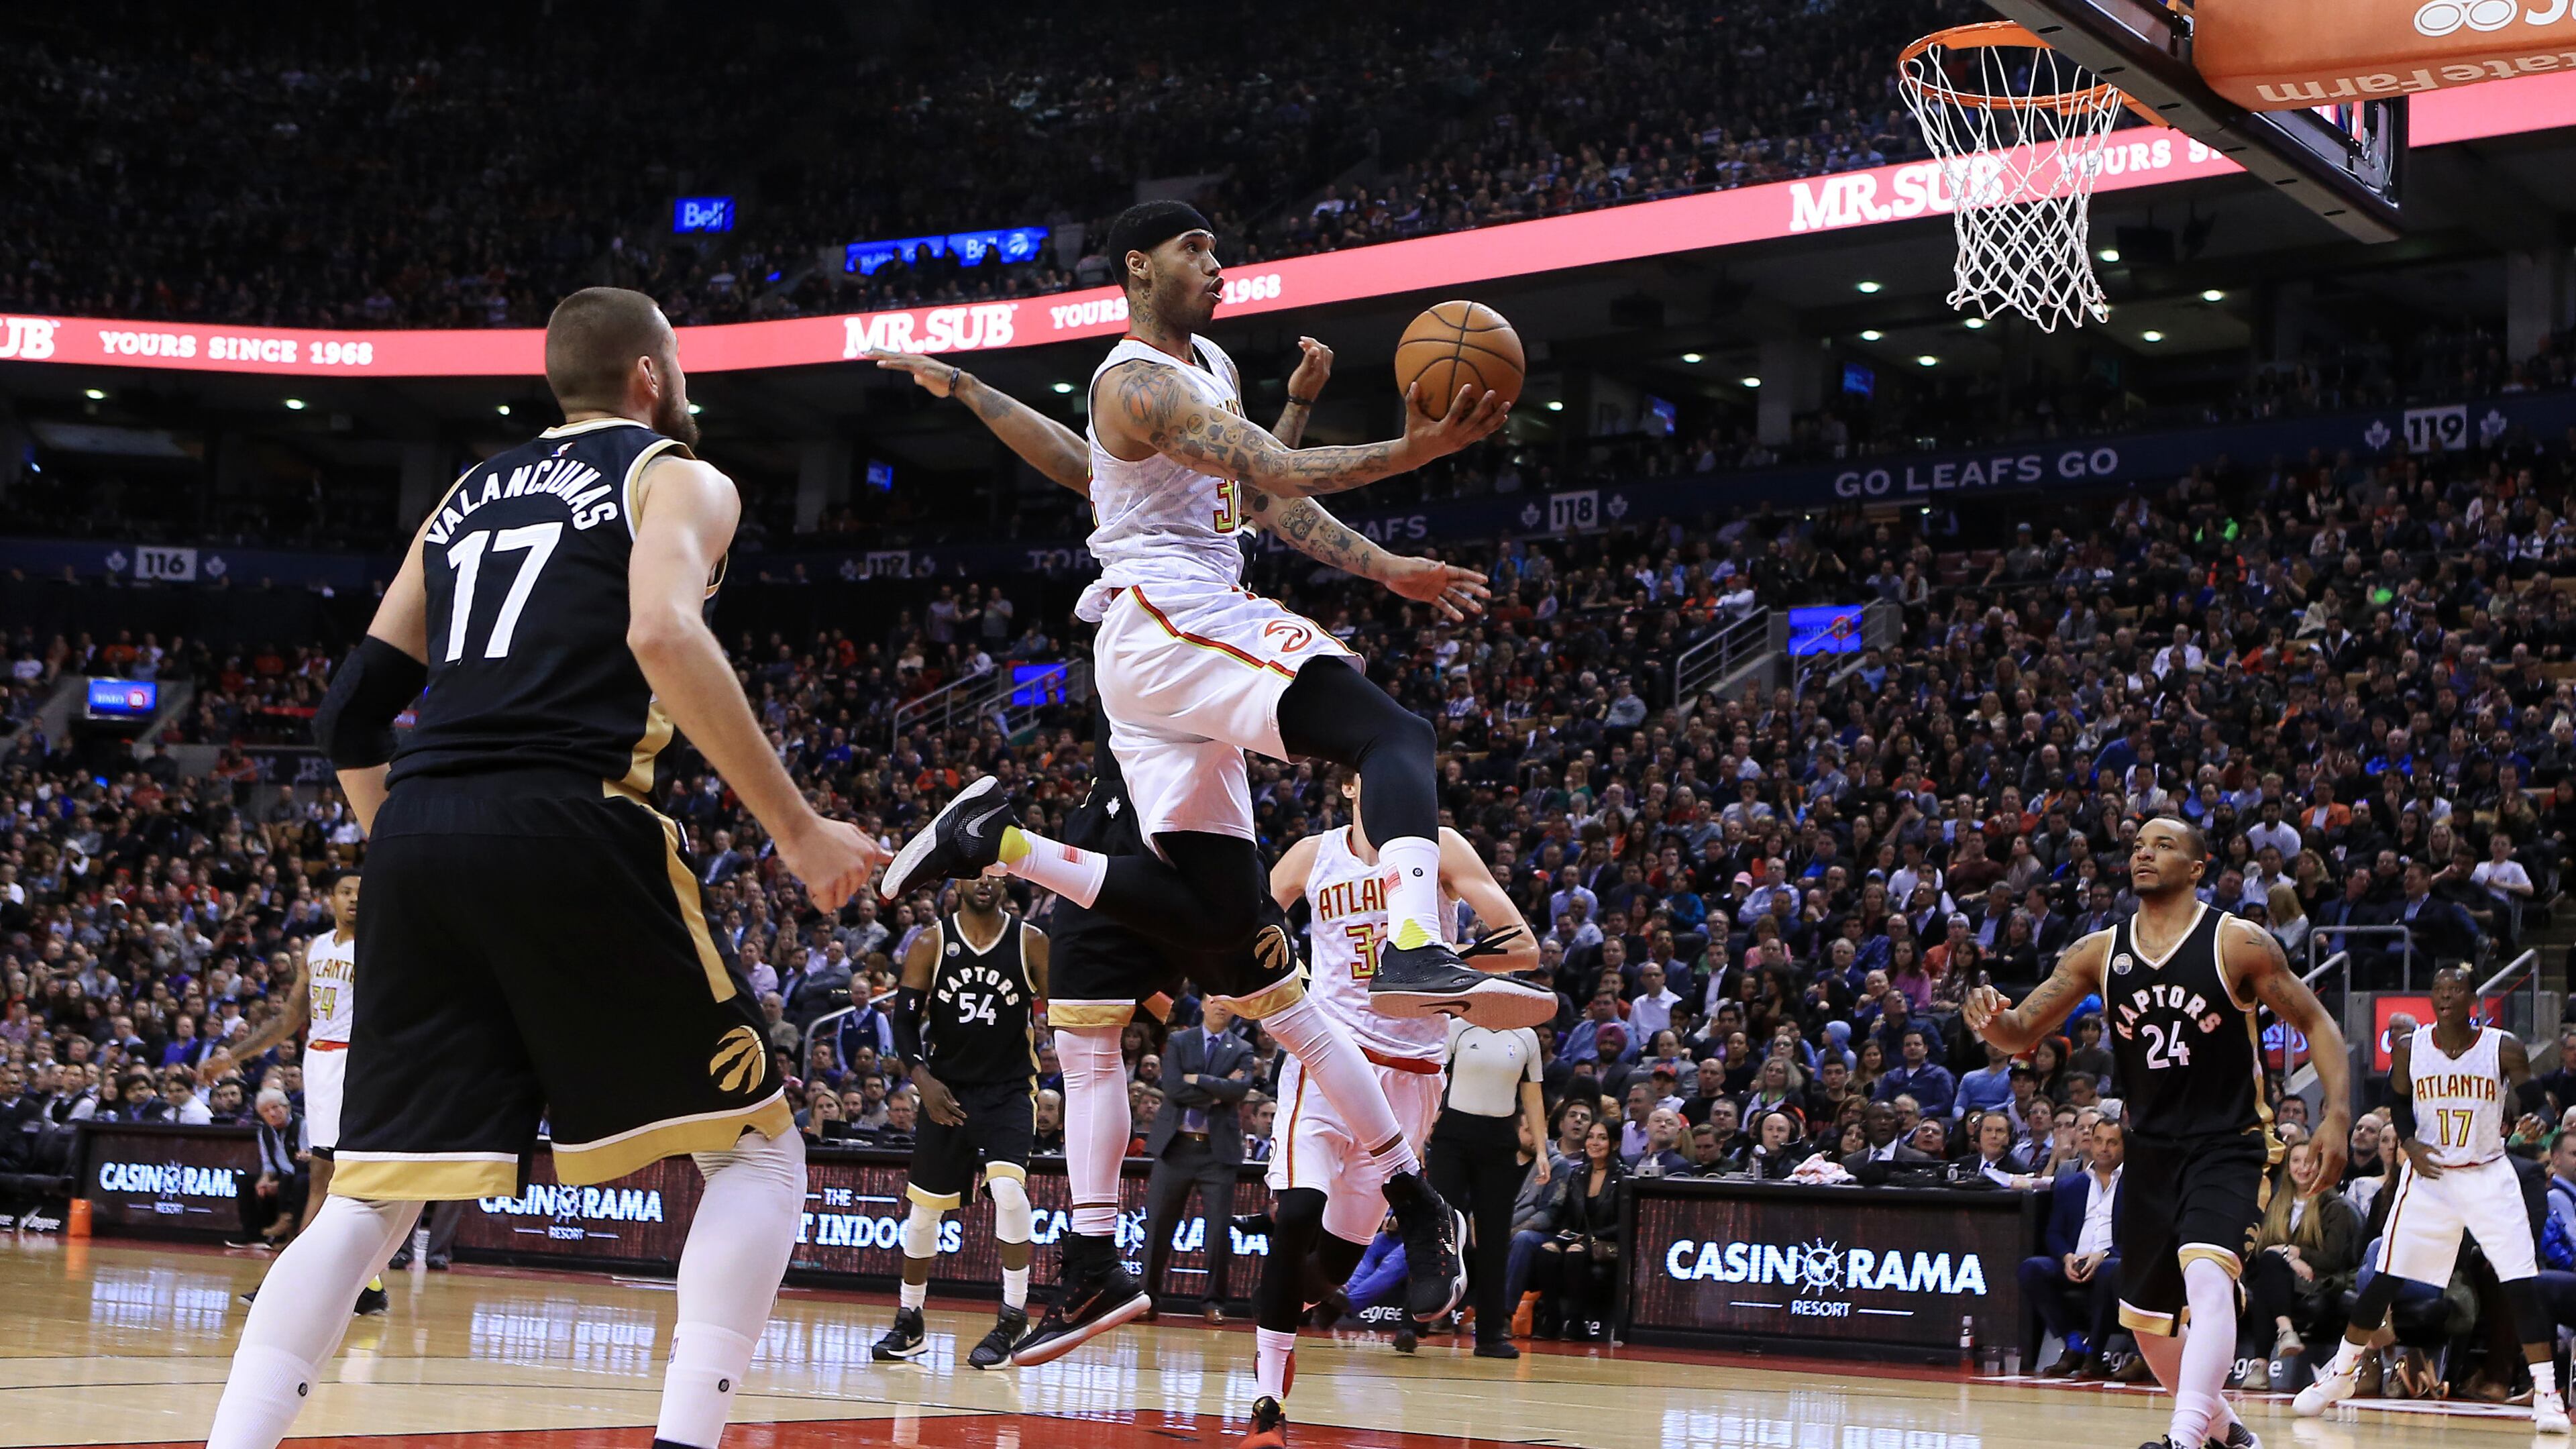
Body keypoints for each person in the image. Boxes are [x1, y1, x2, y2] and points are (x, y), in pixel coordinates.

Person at [202, 288, 885, 1449]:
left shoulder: (460, 501)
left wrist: (413, 850)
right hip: (571, 814)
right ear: (650, 380)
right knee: (760, 1153)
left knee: (370, 1195)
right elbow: (663, 633)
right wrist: (799, 829)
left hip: (419, 829)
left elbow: (352, 714)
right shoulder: (674, 474)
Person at [867, 338, 1520, 1368]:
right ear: (1142, 263)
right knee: (1111, 1032)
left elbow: (1255, 485)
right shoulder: (1137, 386)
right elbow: (1245, 471)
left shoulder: (1204, 373)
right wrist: (1414, 448)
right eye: (1197, 248)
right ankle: (1102, 1256)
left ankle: (1379, 1198)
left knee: (1238, 992)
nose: (1216, 265)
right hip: (1156, 681)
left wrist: (1379, 550)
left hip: (1152, 701)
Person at [1966, 817, 2352, 1449]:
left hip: (2229, 1142)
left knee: (2208, 1275)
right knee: (2146, 1322)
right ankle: (2227, 1434)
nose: (2144, 853)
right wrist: (1991, 1020)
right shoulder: (2098, 952)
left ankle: (2183, 1439)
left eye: (2164, 845)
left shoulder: (2237, 943)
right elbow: (2018, 1033)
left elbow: (2317, 1022)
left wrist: (2336, 1114)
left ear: (2198, 868)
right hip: (2149, 1148)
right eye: (2139, 845)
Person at [1245, 770, 1540, 1444]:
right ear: (1351, 786)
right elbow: (1245, 929)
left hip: (1410, 1076)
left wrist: (1441, 965)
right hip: (1327, 1055)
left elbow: (1522, 944)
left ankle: (1404, 1247)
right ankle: (1266, 1402)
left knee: (1324, 1277)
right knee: (1295, 1215)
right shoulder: (1311, 856)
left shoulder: (1441, 847)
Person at [2296, 965, 2568, 1430]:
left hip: (2486, 1174)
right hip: (2430, 1177)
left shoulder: (2503, 1047)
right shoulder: (2410, 1048)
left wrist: (2540, 1120)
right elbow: (2397, 1102)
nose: (2445, 996)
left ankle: (2547, 1394)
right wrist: (2410, 1142)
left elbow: (2540, 1103)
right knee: (2385, 1277)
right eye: (2438, 989)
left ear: (2472, 998)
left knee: (2520, 1281)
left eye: (2455, 989)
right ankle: (2339, 1375)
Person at [869, 875, 1048, 1371]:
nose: (985, 882)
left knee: (1010, 1193)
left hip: (1009, 1090)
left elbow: (1061, 1009)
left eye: (994, 873)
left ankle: (1014, 1316)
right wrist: (923, 1081)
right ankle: (910, 1320)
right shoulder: (931, 943)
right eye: (976, 874)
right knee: (924, 1215)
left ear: (1007, 880)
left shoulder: (1031, 941)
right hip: (945, 1090)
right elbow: (904, 1023)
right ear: (958, 882)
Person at [223, 870, 389, 1316]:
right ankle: (369, 1287)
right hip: (317, 1062)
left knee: (326, 1176)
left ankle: (287, 1280)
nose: (355, 899)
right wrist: (232, 1057)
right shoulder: (315, 948)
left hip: (354, 1062)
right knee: (334, 1180)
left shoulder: (381, 944)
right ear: (329, 898)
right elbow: (285, 1022)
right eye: (346, 892)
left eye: (363, 892)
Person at [1141, 999, 1256, 1325]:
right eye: (1215, 1000)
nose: (1221, 1006)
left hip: (1216, 1153)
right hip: (1175, 1147)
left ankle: (1214, 1301)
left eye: (1228, 1002)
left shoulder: (1243, 1047)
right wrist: (1218, 1089)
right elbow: (1174, 1088)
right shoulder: (1180, 1040)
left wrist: (1198, 1079)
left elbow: (1241, 1089)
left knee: (1219, 1231)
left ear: (1236, 1010)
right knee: (1158, 1227)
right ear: (1204, 1005)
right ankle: (1147, 1299)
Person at [2241, 1138, 2362, 1366]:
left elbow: (2331, 1259)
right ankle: (2285, 1331)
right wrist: (2288, 1258)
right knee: (2268, 1268)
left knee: (2266, 1279)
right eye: (2296, 1161)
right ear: (2288, 1167)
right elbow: (2260, 1250)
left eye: (2309, 1162)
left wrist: (2293, 1251)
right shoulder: (2276, 1203)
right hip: (2278, 1278)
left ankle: (2261, 1365)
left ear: (2321, 1165)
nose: (2303, 1168)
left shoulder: (2336, 1207)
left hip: (2315, 1281)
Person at [2023, 1118, 2125, 1378]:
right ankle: (2073, 1344)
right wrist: (2066, 1256)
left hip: (2113, 1264)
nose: (2104, 1148)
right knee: (2032, 1268)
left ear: (2124, 1146)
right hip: (2075, 1261)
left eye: (2112, 1142)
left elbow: (2141, 1236)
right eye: (2099, 1140)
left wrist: (2102, 1255)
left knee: (2109, 1270)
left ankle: (2094, 1354)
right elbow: (2054, 1233)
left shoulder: (2137, 1186)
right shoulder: (2071, 1184)